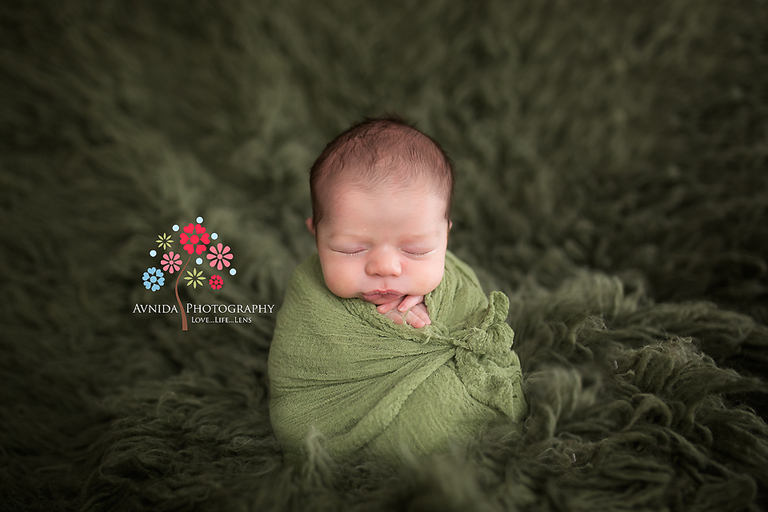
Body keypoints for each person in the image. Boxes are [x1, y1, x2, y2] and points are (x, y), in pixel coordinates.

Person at [305, 115, 454, 328]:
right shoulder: (307, 294)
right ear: (316, 236)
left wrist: (436, 301)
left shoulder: (456, 283)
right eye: (351, 249)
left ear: (445, 237)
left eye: (416, 250)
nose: (384, 268)